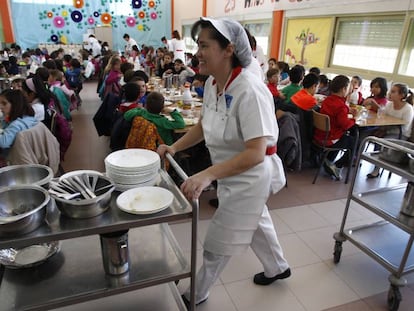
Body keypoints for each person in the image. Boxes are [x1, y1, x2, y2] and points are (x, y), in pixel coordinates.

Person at [157, 17, 290, 306]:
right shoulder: (215, 84)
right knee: (256, 222)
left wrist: (206, 175)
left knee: (220, 241)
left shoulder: (249, 90)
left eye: (204, 45)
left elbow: (255, 152)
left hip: (252, 176)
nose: (198, 53)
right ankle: (278, 267)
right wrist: (175, 147)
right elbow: (205, 125)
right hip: (231, 171)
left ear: (228, 49)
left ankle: (197, 293)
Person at [313, 75, 357, 179]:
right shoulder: (341, 106)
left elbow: (336, 112)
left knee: (344, 136)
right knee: (353, 141)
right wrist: (354, 119)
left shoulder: (327, 100)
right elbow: (345, 124)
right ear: (344, 89)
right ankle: (337, 165)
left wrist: (347, 110)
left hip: (319, 136)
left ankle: (328, 160)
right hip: (330, 139)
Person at [366, 83, 414, 178]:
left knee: (383, 141)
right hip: (387, 130)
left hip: (401, 134)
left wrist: (386, 126)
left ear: (402, 95)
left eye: (393, 92)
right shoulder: (389, 104)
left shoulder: (408, 108)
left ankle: (376, 170)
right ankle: (363, 160)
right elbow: (382, 117)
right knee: (369, 135)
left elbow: (404, 125)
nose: (390, 94)